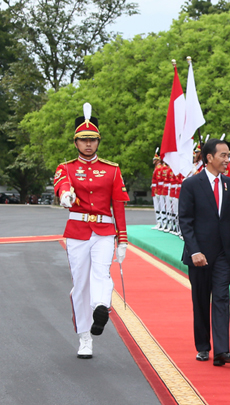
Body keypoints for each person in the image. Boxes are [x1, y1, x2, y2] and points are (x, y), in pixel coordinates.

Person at [54, 103, 129, 359]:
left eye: (92, 140)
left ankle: (101, 308)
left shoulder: (112, 169)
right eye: (83, 140)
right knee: (80, 284)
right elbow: (63, 185)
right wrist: (65, 196)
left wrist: (123, 239)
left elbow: (118, 205)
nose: (88, 145)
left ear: (98, 141)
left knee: (100, 272)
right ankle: (85, 337)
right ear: (75, 142)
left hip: (105, 230)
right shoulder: (66, 167)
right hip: (77, 230)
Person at [179, 138, 230, 367]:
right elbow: (185, 222)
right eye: (223, 155)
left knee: (222, 298)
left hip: (224, 254)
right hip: (199, 256)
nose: (228, 159)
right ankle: (203, 346)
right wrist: (194, 250)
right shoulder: (191, 185)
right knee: (200, 299)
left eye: (228, 155)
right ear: (209, 158)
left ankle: (222, 351)